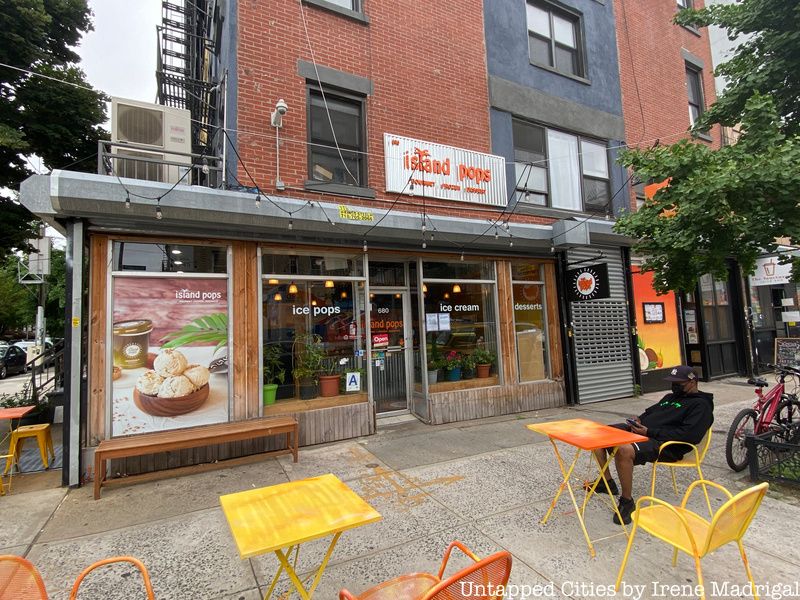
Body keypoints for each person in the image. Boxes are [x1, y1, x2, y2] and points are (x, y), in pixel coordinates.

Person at [591, 365, 714, 525]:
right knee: (599, 433)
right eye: (672, 382)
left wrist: (649, 432)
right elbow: (649, 413)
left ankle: (627, 501)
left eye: (678, 383)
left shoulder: (701, 406)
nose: (674, 386)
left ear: (692, 382)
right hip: (644, 432)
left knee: (624, 450)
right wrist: (638, 420)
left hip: (666, 444)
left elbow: (688, 435)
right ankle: (606, 482)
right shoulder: (670, 397)